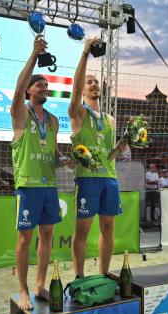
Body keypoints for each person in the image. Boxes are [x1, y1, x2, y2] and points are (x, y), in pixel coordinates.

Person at [11, 35, 68, 310]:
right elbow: (18, 85)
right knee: (25, 237)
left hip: (48, 186)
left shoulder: (54, 121)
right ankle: (22, 290)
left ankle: (39, 285)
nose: (45, 87)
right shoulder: (20, 113)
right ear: (29, 91)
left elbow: (54, 157)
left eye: (46, 84)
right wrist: (34, 54)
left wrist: (68, 160)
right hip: (27, 184)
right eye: (39, 84)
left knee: (47, 235)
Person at [69, 38, 125, 277]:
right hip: (87, 179)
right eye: (88, 83)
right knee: (82, 230)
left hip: (109, 178)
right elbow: (75, 87)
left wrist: (119, 149)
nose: (93, 85)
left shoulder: (110, 120)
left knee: (108, 228)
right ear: (83, 89)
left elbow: (108, 156)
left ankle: (103, 274)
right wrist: (85, 54)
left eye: (95, 82)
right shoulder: (79, 113)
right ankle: (80, 277)